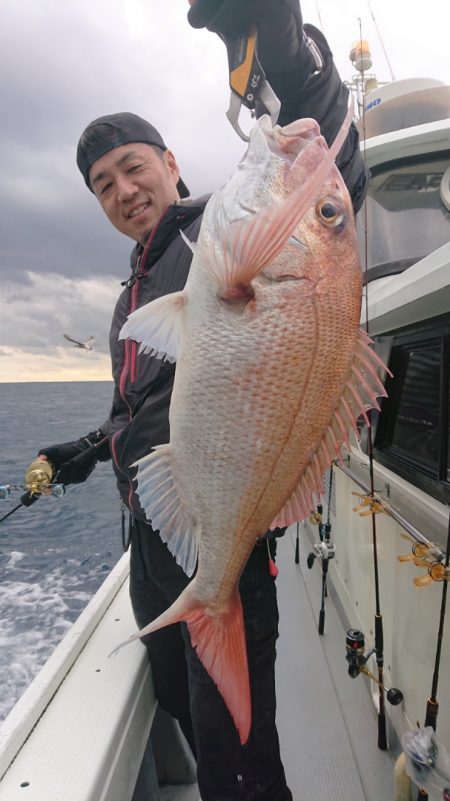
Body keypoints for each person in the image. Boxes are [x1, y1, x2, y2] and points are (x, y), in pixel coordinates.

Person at [34, 2, 369, 799]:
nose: (123, 189)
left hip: (223, 524)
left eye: (134, 167)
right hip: (153, 539)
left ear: (170, 161)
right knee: (181, 699)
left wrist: (294, 59)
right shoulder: (137, 285)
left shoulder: (211, 240)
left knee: (240, 761)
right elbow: (148, 403)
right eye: (103, 183)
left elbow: (334, 177)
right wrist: (85, 451)